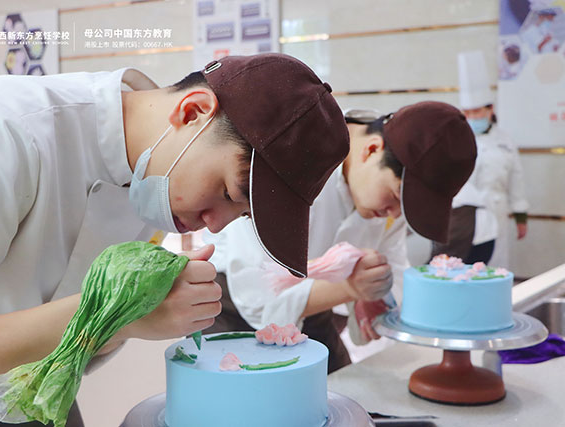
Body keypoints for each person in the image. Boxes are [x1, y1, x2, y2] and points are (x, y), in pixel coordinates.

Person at [0, 53, 349, 424]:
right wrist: (115, 314)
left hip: (39, 389)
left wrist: (130, 312)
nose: (215, 225)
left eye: (240, 215)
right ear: (192, 112)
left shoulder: (154, 173)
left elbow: (66, 347)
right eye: (226, 193)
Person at [203, 101, 478, 372]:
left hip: (312, 307)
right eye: (396, 197)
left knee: (340, 387)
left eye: (406, 209)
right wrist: (349, 289)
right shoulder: (293, 157)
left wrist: (376, 294)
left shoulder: (386, 199)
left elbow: (394, 275)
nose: (394, 214)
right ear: (372, 149)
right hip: (231, 306)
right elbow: (257, 298)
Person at [452, 50, 529, 269]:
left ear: (489, 109)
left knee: (495, 268)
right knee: (462, 269)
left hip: (497, 213)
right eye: (467, 113)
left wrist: (521, 215)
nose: (472, 117)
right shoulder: (456, 140)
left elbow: (516, 178)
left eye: (477, 111)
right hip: (463, 218)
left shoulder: (505, 140)